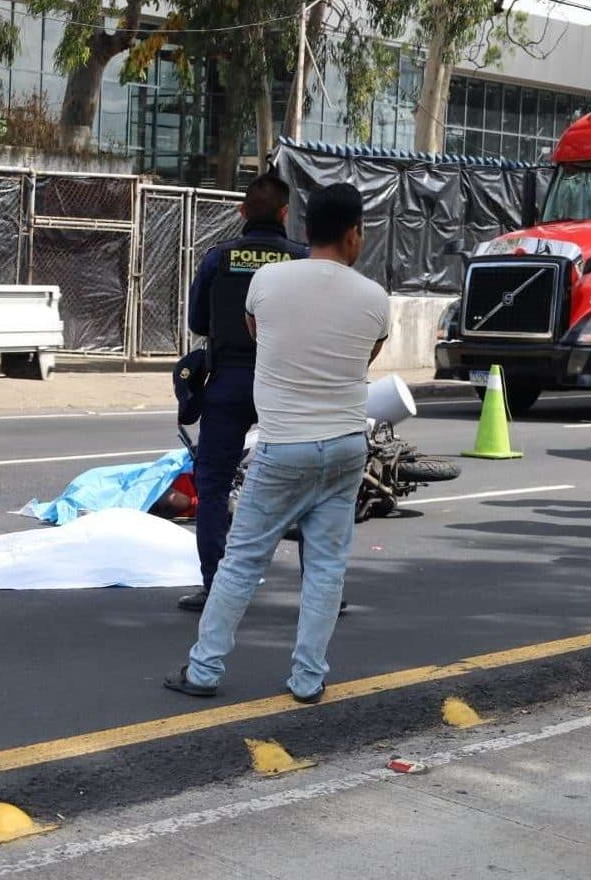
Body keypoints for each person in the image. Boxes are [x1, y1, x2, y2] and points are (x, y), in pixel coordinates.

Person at [164, 183, 390, 703]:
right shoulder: (374, 298)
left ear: (306, 228)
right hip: (345, 447)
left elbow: (257, 333)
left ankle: (203, 670)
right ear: (355, 234)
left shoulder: (266, 281)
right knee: (326, 567)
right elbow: (365, 359)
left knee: (242, 561)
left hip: (284, 444)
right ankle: (308, 679)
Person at [176, 174, 309, 613]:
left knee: (213, 485)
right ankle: (320, 588)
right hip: (285, 384)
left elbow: (198, 322)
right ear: (285, 213)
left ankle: (214, 586)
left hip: (228, 382)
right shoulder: (301, 260)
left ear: (242, 212)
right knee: (305, 486)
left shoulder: (219, 258)